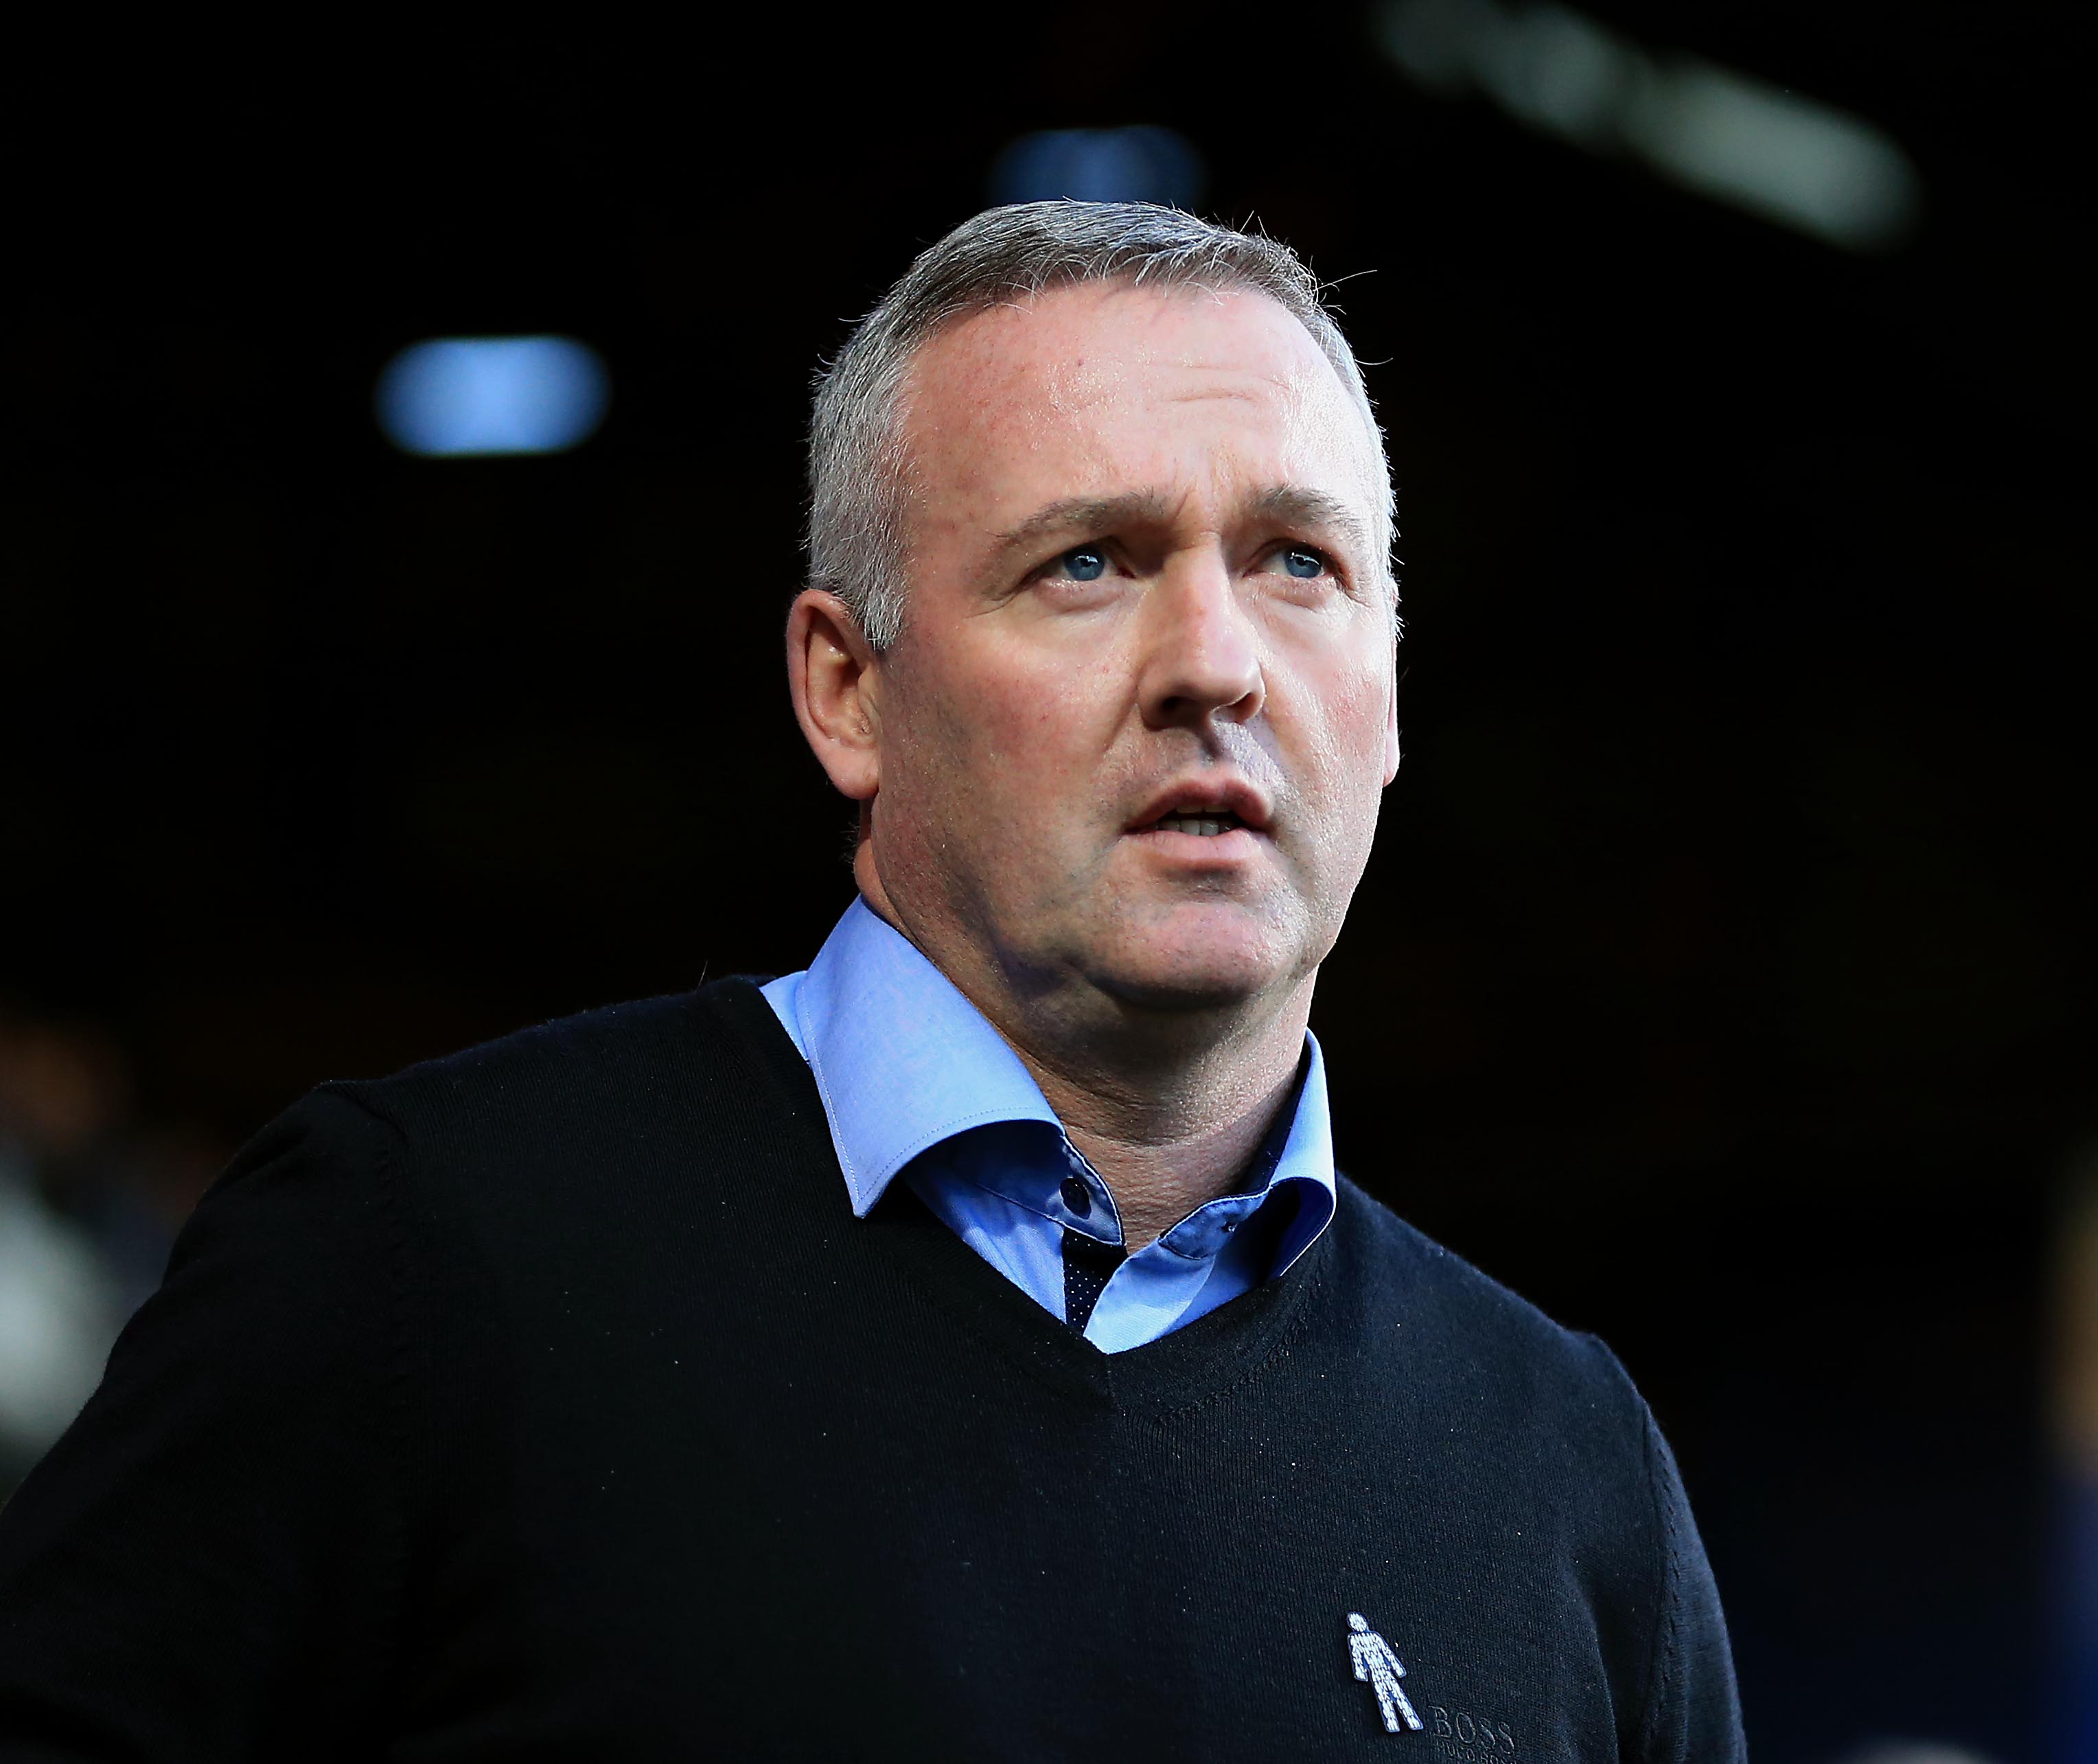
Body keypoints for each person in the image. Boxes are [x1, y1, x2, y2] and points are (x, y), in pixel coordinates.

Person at [0, 202, 1742, 1761]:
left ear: (1389, 690)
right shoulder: (426, 1252)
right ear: (847, 689)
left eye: (1300, 563)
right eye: (1090, 562)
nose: (1218, 663)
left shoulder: (1565, 1471)